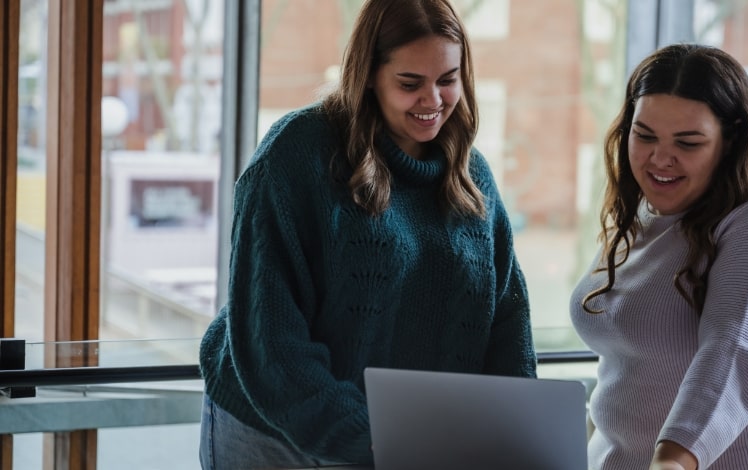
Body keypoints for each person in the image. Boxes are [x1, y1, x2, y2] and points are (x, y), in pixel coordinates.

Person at [198, 0, 536, 468]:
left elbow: (507, 322)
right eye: (409, 83)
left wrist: (517, 428)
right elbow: (270, 339)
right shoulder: (297, 155)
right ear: (369, 75)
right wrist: (374, 441)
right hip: (270, 425)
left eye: (447, 80)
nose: (433, 101)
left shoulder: (471, 176)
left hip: (400, 440)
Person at [570, 44, 748, 470]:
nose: (660, 158)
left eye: (688, 142)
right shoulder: (647, 211)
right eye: (644, 136)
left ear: (731, 139)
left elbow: (735, 353)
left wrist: (671, 462)